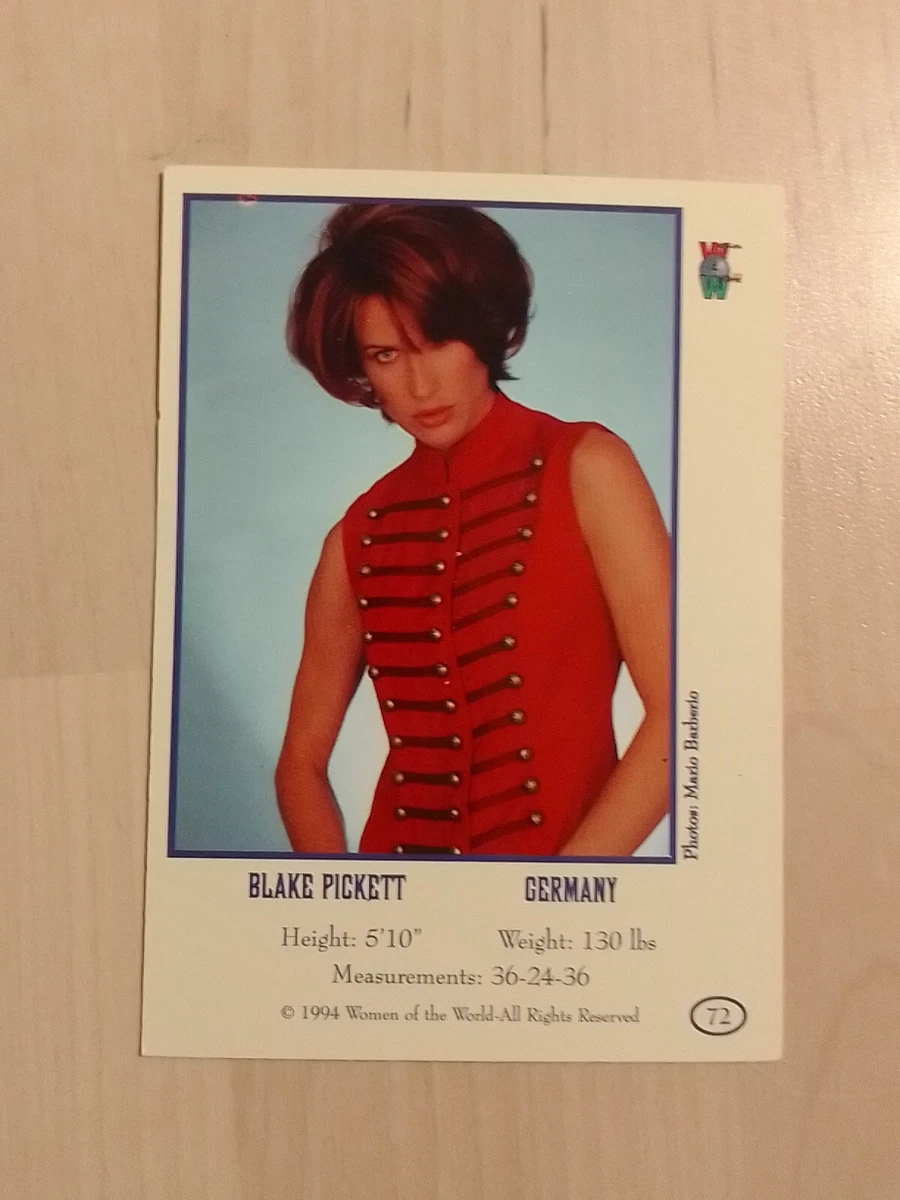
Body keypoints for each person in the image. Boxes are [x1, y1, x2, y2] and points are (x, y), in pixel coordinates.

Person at [275, 203, 671, 857]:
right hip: (399, 891)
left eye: (437, 341)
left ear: (484, 329)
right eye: (385, 354)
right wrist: (344, 898)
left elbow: (679, 719)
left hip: (555, 892)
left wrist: (562, 890)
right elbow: (299, 765)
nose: (420, 383)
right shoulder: (358, 535)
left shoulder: (587, 467)